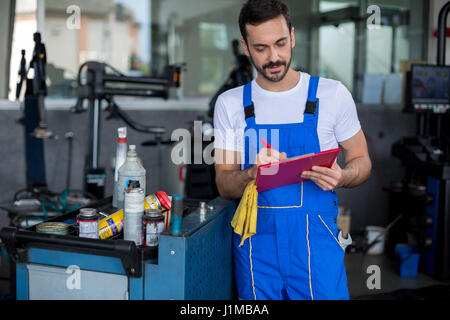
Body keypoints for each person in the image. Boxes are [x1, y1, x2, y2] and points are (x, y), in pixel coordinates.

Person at [213, 0, 372, 300]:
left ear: (293, 37)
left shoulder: (332, 95)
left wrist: (343, 176)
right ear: (246, 47)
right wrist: (250, 174)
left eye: (281, 43)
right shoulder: (230, 104)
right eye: (261, 48)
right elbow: (223, 183)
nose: (274, 57)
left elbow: (362, 161)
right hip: (256, 248)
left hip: (316, 243)